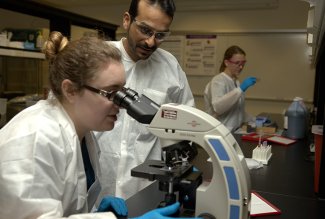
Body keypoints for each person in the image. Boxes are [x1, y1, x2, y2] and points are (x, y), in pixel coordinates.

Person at [0, 31, 199, 219]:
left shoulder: (85, 138)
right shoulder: (35, 137)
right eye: (111, 93)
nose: (121, 105)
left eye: (123, 92)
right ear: (70, 90)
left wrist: (96, 212)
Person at [95, 0, 195, 200]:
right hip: (98, 183)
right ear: (127, 20)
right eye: (145, 30)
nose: (151, 42)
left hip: (145, 187)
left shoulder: (170, 67)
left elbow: (187, 123)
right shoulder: (98, 57)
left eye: (160, 35)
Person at [203, 45, 256, 132]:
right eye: (237, 63)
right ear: (226, 62)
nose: (241, 67)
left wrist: (254, 119)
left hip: (233, 131)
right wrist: (240, 89)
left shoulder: (235, 81)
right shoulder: (218, 81)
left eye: (243, 63)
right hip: (219, 132)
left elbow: (237, 110)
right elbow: (218, 107)